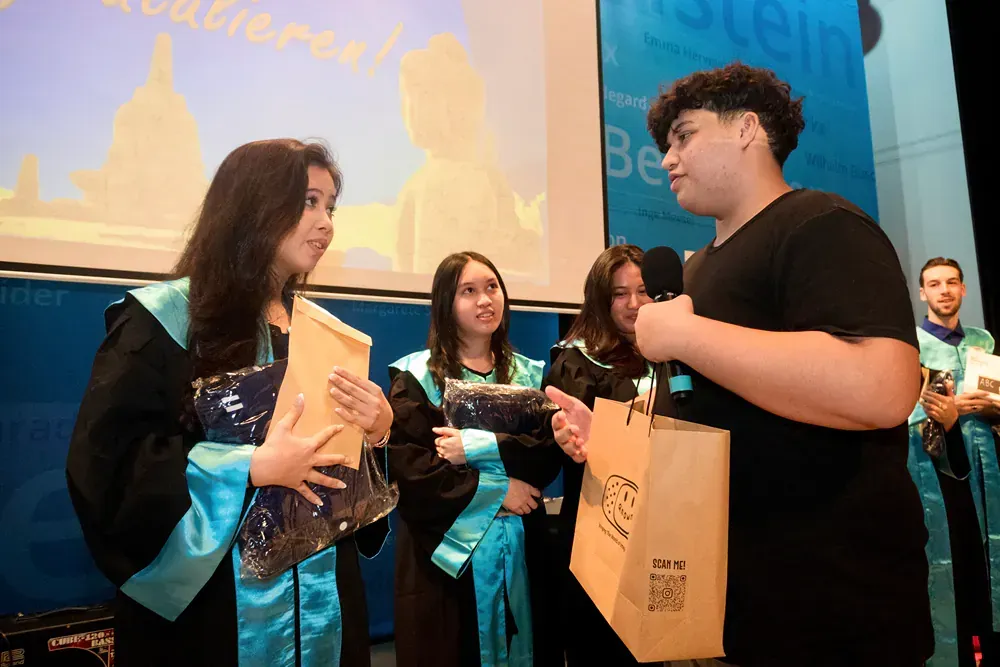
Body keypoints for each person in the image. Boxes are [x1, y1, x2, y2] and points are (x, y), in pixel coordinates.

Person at [626, 62, 933, 666]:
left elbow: (882, 387)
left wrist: (688, 333)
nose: (667, 159)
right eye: (666, 145)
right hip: (732, 607)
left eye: (684, 136)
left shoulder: (820, 224)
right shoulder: (695, 269)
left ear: (746, 128)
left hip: (834, 611)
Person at [66, 139, 394, 666]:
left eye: (330, 207)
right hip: (212, 609)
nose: (326, 223)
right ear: (254, 204)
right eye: (309, 202)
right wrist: (248, 466)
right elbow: (109, 467)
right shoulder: (164, 322)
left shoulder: (321, 331)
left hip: (322, 595)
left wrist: (377, 432)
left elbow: (347, 480)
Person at [386, 251, 563, 667]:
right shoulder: (416, 378)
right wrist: (500, 489)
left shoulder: (532, 375)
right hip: (446, 560)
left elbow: (546, 456)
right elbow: (414, 473)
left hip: (523, 549)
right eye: (468, 291)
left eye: (492, 287)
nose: (485, 300)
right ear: (446, 304)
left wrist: (475, 448)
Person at [543, 244, 664, 666]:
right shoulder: (577, 362)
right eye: (619, 294)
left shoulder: (673, 357)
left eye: (644, 290)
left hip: (665, 527)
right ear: (599, 298)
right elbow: (564, 445)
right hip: (604, 529)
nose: (633, 304)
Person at [907, 257, 1000, 666]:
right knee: (953, 567)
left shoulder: (983, 341)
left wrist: (994, 410)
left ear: (963, 289)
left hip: (989, 469)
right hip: (939, 477)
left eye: (951, 282)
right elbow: (905, 411)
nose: (944, 290)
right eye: (934, 284)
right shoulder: (911, 346)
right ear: (922, 292)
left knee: (987, 567)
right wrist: (948, 414)